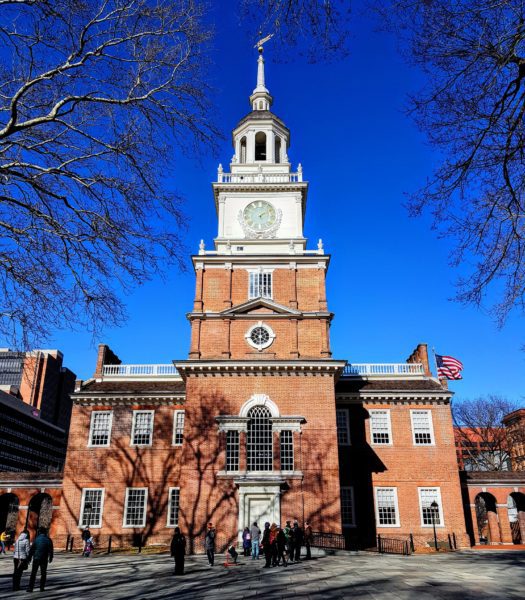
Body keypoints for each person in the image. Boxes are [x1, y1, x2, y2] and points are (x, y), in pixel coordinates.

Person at [27, 527, 53, 593]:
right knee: (43, 573)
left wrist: (29, 558)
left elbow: (32, 549)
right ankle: (41, 587)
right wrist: (51, 557)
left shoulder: (36, 539)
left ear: (39, 532)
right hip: (44, 558)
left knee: (33, 573)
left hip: (36, 558)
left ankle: (30, 588)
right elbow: (51, 549)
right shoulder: (48, 539)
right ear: (45, 532)